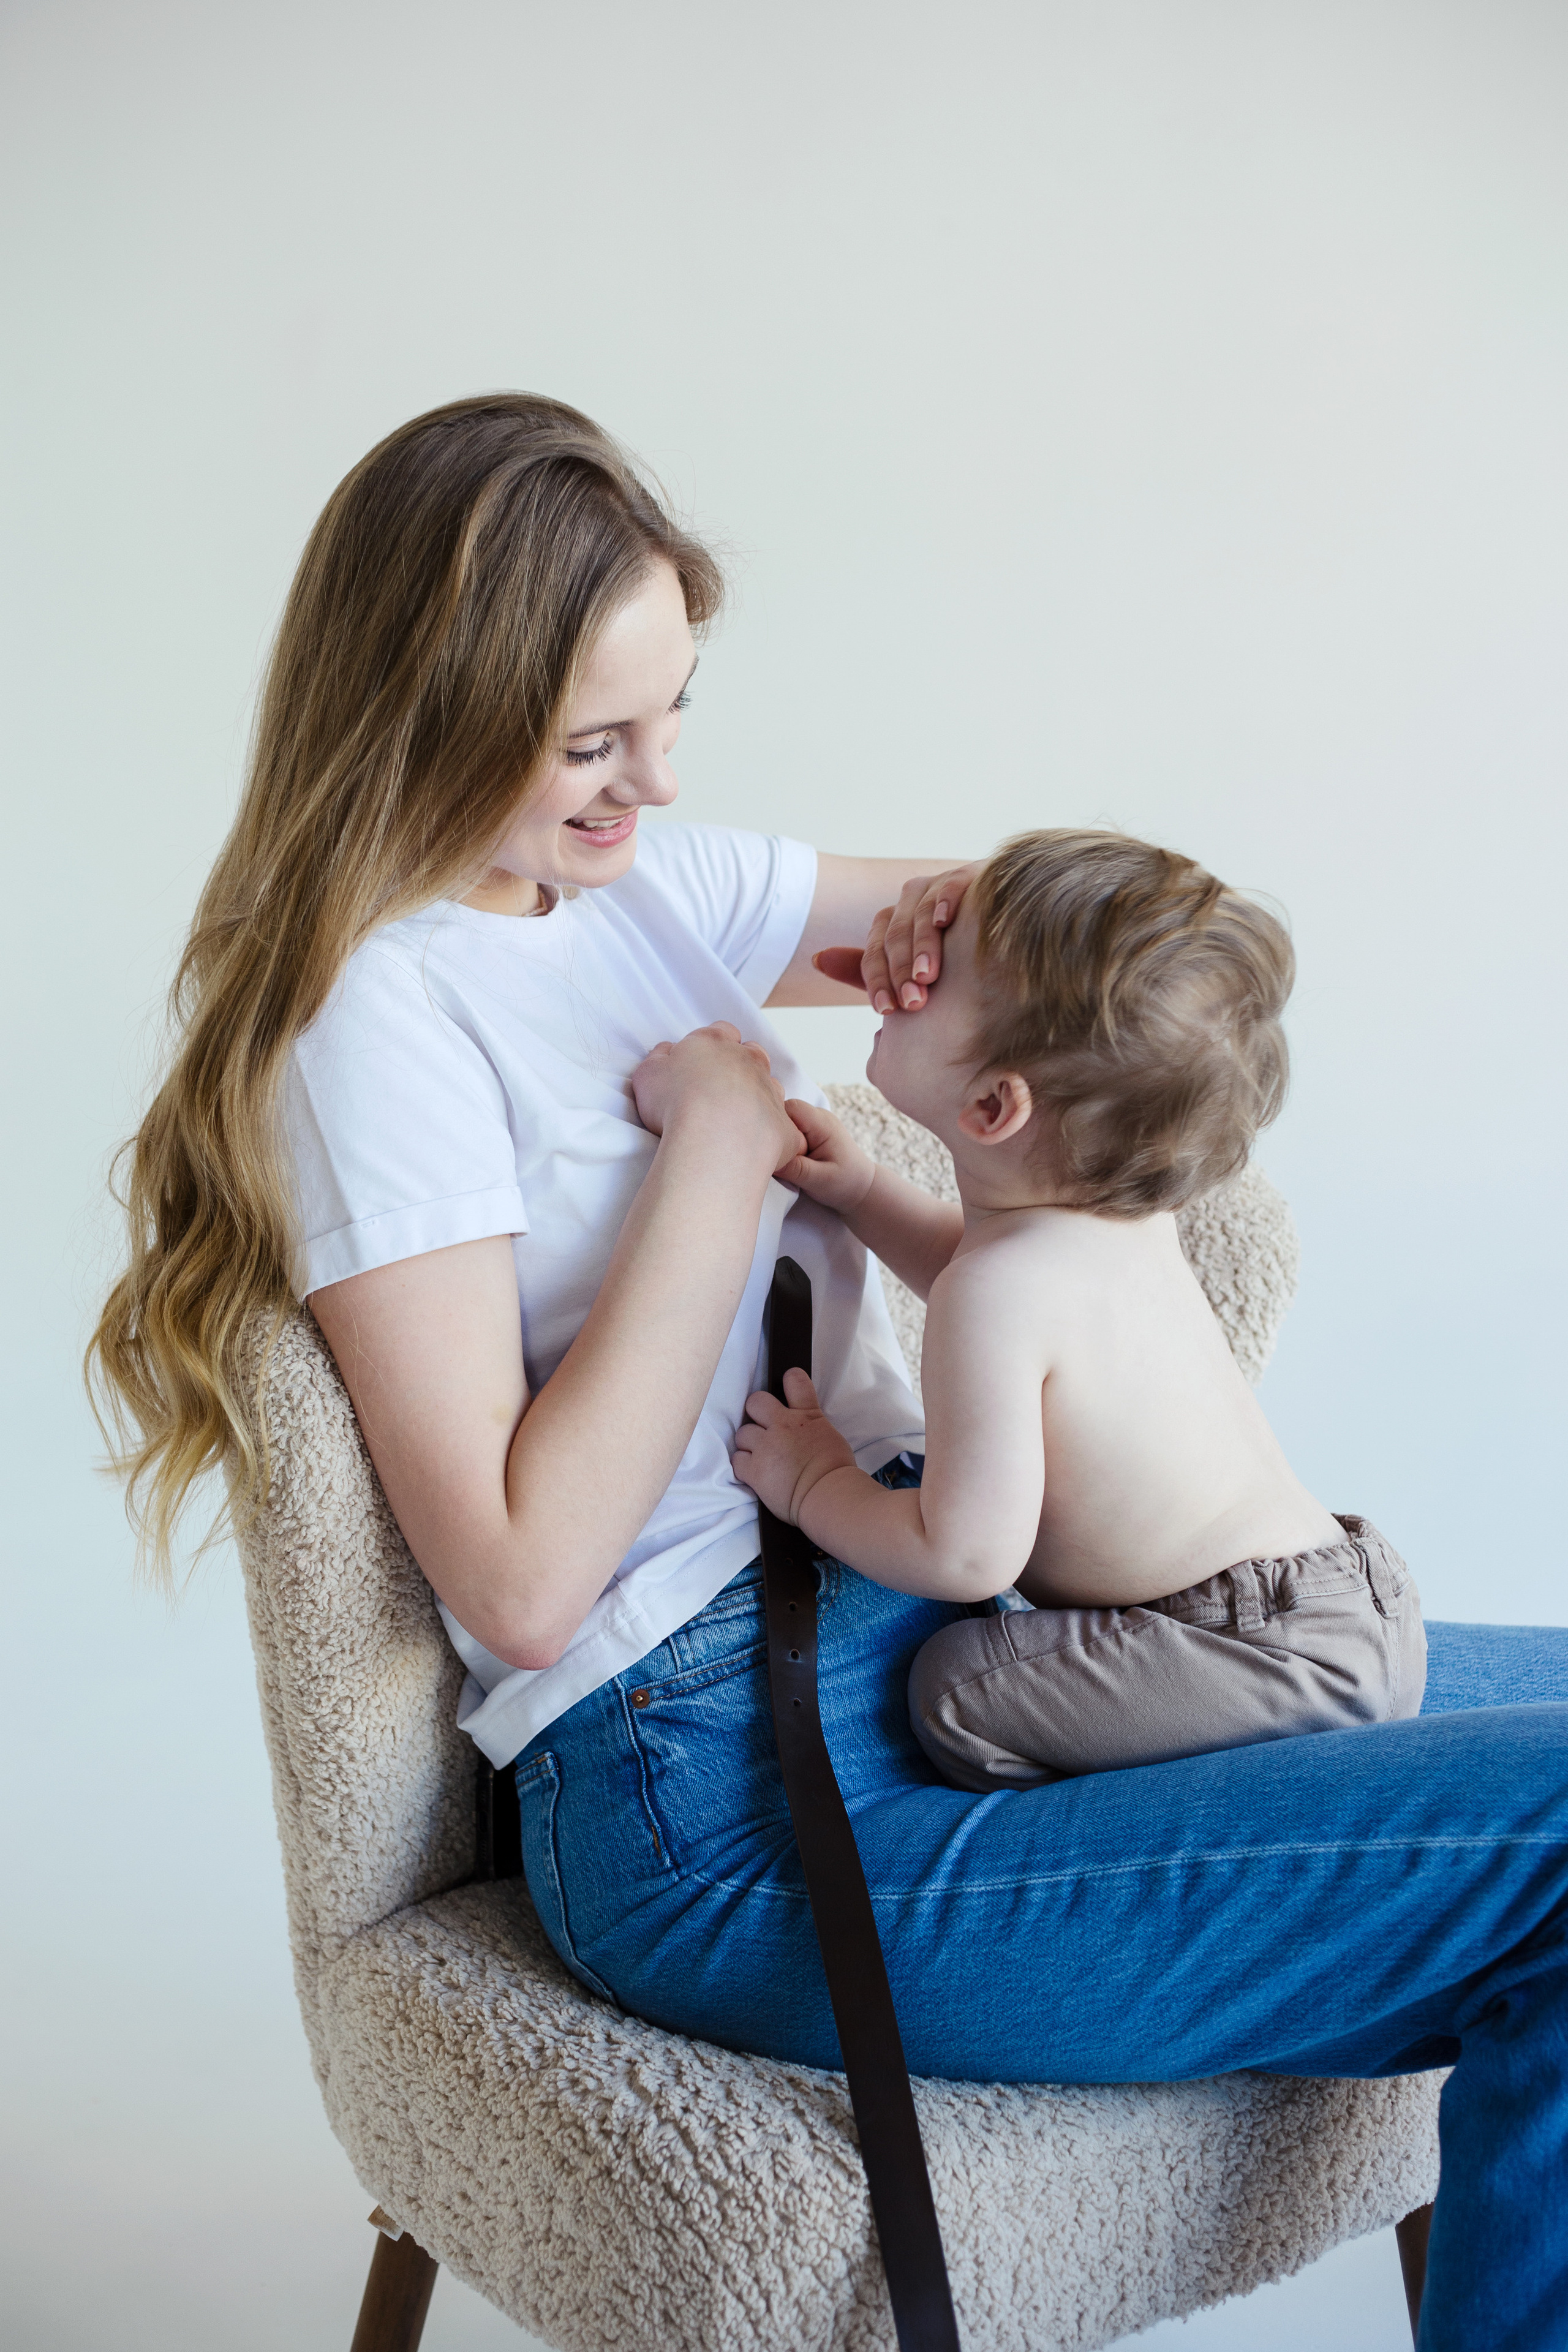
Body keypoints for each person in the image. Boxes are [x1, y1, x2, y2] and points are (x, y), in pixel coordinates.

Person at [89, 393, 1568, 2350]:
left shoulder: (633, 891)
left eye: (673, 716)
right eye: (593, 745)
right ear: (425, 713)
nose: (652, 788)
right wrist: (717, 1154)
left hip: (959, 1632)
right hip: (721, 1782)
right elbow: (522, 1583)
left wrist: (979, 926)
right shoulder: (377, 1029)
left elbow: (1078, 966)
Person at [731, 827, 1425, 1790]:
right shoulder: (1111, 1227)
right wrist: (863, 1191)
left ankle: (1150, 1831)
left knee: (957, 1689)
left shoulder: (997, 1292)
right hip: (1339, 1597)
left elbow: (965, 1554)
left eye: (942, 971)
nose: (901, 979)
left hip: (1253, 1657)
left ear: (991, 1110)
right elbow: (975, 1265)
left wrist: (816, 1486)